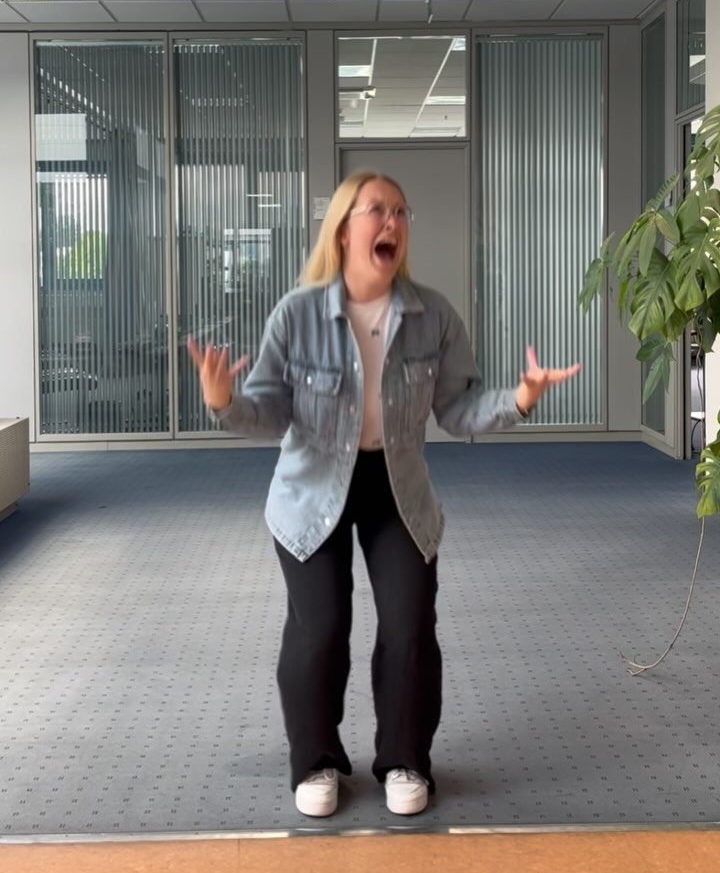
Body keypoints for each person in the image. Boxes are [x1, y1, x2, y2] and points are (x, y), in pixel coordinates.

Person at [187, 171, 580, 819]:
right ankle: (315, 760)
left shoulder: (433, 316)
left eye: (400, 211)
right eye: (377, 210)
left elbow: (457, 409)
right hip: (313, 487)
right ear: (344, 229)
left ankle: (405, 758)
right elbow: (269, 413)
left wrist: (519, 398)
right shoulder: (298, 314)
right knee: (320, 627)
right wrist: (223, 401)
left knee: (409, 624)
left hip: (395, 483)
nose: (392, 221)